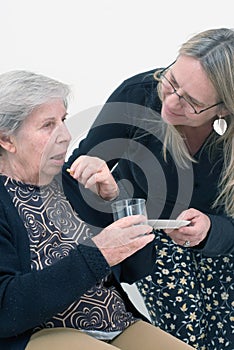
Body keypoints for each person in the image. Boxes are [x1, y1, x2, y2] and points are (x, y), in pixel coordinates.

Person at [0, 70, 195, 350]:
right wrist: (97, 253)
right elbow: (7, 310)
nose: (66, 136)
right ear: (7, 140)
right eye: (47, 126)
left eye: (64, 121)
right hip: (38, 333)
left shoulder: (70, 182)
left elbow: (137, 268)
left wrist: (116, 200)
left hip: (114, 322)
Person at [67, 28, 234, 349]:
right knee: (182, 336)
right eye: (171, 81)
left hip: (224, 242)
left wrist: (211, 230)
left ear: (223, 109)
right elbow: (75, 178)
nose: (170, 102)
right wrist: (100, 186)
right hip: (154, 236)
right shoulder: (139, 94)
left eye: (192, 102)